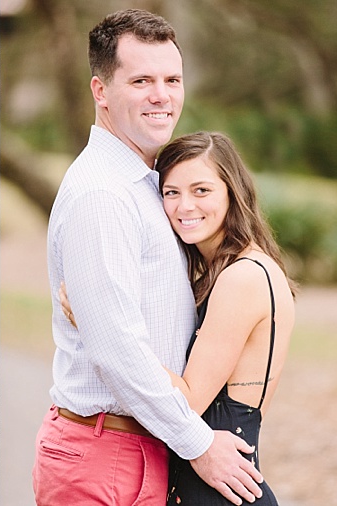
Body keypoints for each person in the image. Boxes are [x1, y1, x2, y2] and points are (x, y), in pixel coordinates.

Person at [33, 9, 264, 506]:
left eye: (172, 79)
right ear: (100, 91)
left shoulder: (153, 185)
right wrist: (199, 444)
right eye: (141, 80)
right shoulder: (103, 194)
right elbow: (117, 349)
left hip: (147, 446)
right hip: (102, 455)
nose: (162, 95)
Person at [61, 132, 296, 504]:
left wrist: (98, 322)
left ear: (232, 192)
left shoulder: (243, 277)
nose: (185, 206)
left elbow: (188, 402)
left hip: (218, 488)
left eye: (201, 190)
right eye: (172, 193)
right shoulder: (229, 271)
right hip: (208, 481)